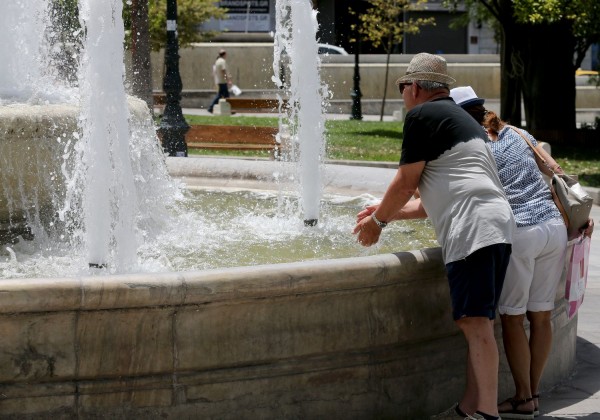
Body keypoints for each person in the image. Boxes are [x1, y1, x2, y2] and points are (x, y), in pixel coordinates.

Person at [353, 53, 515, 420]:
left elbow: (406, 181)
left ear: (413, 87)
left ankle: (487, 414)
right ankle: (469, 409)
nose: (402, 95)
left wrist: (377, 223)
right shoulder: (462, 119)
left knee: (474, 324)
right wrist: (385, 215)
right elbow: (426, 203)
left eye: (401, 88)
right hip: (496, 223)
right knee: (478, 323)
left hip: (473, 226)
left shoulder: (422, 116)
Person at [449, 86, 594, 419]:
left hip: (519, 232)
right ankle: (535, 393)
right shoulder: (518, 133)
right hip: (553, 229)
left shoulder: (472, 145)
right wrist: (583, 218)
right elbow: (557, 172)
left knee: (513, 317)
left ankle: (524, 397)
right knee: (541, 316)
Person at [208, 49, 232, 114]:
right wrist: (228, 80)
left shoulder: (217, 61)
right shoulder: (222, 61)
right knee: (223, 95)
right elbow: (223, 70)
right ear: (224, 54)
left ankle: (229, 109)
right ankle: (210, 108)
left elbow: (215, 72)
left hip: (219, 80)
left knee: (223, 95)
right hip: (223, 81)